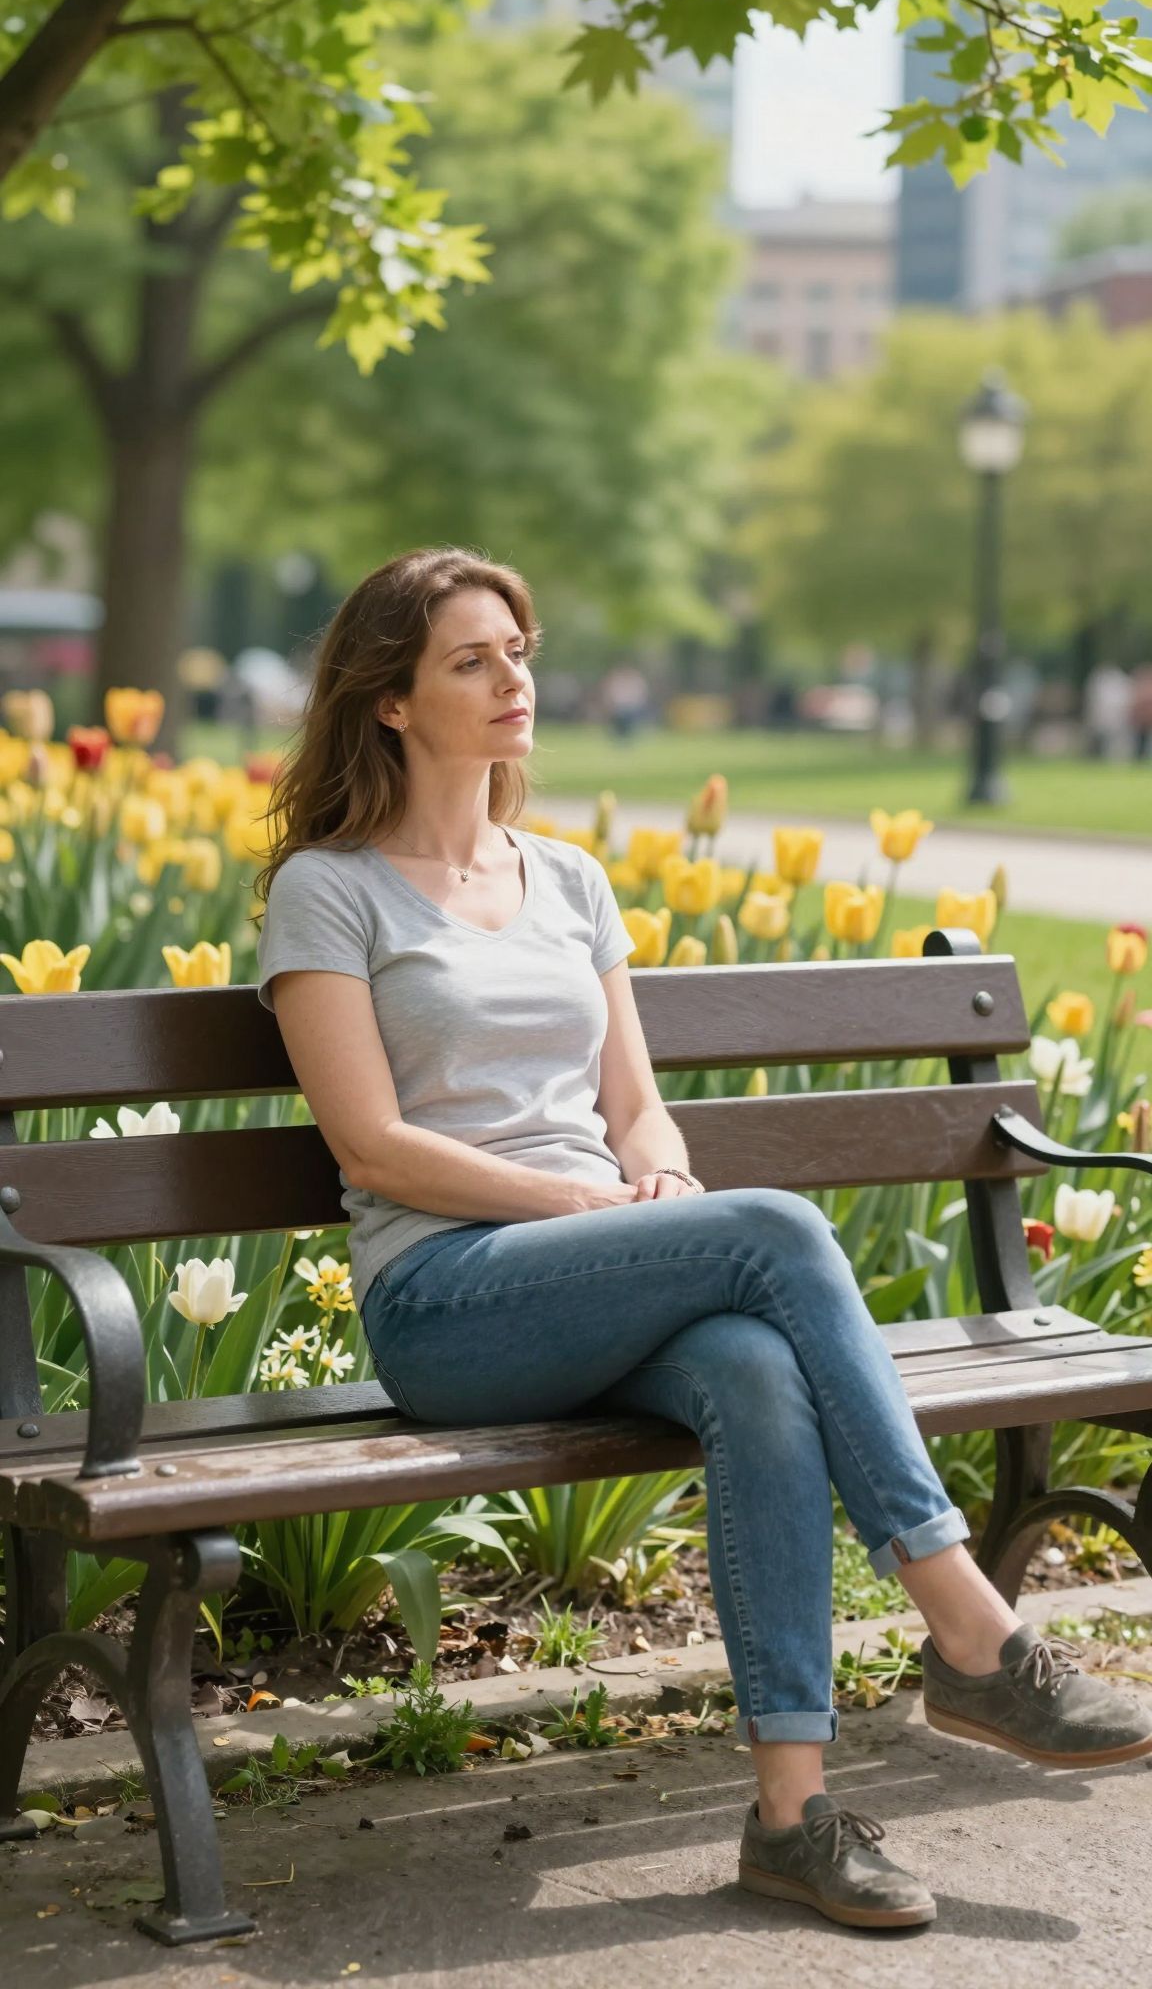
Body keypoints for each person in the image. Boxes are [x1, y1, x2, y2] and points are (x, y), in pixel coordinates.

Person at [254, 547, 1152, 1934]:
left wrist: (659, 1181)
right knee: (776, 1231)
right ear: (390, 700)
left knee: (753, 1369)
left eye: (519, 651)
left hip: (603, 1267)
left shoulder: (568, 880)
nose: (512, 680)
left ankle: (792, 1819)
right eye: (470, 661)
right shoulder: (332, 890)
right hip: (448, 1297)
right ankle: (972, 1630)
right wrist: (594, 1210)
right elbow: (372, 1149)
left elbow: (636, 1108)